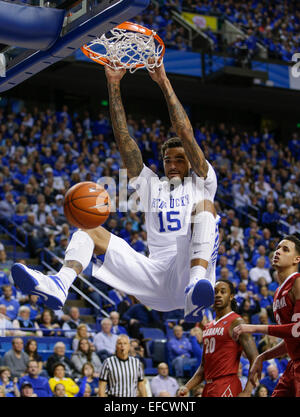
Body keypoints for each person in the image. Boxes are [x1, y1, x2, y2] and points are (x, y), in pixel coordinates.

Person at [11, 61, 220, 323]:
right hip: (155, 277)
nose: (173, 165)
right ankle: (59, 283)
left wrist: (163, 81)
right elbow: (124, 139)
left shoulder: (202, 181)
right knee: (88, 229)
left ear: (190, 161)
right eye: (168, 160)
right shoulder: (150, 185)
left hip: (188, 272)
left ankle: (197, 286)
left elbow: (185, 133)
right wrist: (113, 83)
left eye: (179, 159)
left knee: (205, 208)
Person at [232, 235, 300, 397]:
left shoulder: (297, 282)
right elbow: (292, 339)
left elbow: (297, 330)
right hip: (293, 364)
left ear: (297, 259)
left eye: (285, 249)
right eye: (277, 248)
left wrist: (253, 327)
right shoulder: (277, 292)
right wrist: (263, 356)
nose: (278, 252)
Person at [177, 280, 258, 397]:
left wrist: (247, 391)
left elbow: (255, 358)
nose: (218, 295)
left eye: (223, 292)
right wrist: (187, 386)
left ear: (231, 296)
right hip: (209, 386)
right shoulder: (207, 326)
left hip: (227, 384)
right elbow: (203, 367)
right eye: (215, 292)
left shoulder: (236, 321)